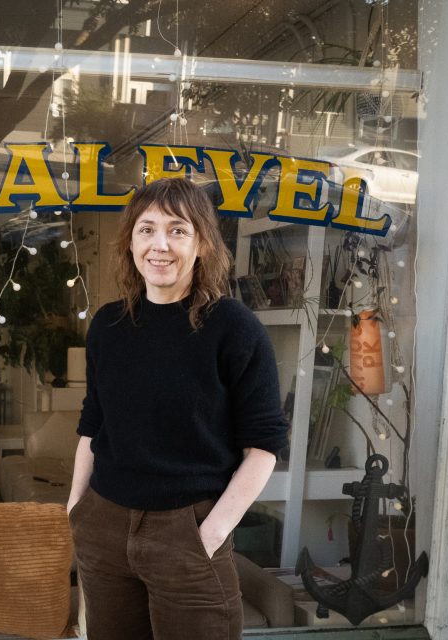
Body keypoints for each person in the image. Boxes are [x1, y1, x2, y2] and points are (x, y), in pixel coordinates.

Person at [67, 177, 289, 640]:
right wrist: (76, 509)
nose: (160, 245)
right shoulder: (108, 325)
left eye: (178, 230)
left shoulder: (234, 328)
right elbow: (94, 422)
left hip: (187, 529)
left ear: (203, 243)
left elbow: (264, 446)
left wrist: (209, 534)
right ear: (130, 242)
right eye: (146, 230)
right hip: (104, 526)